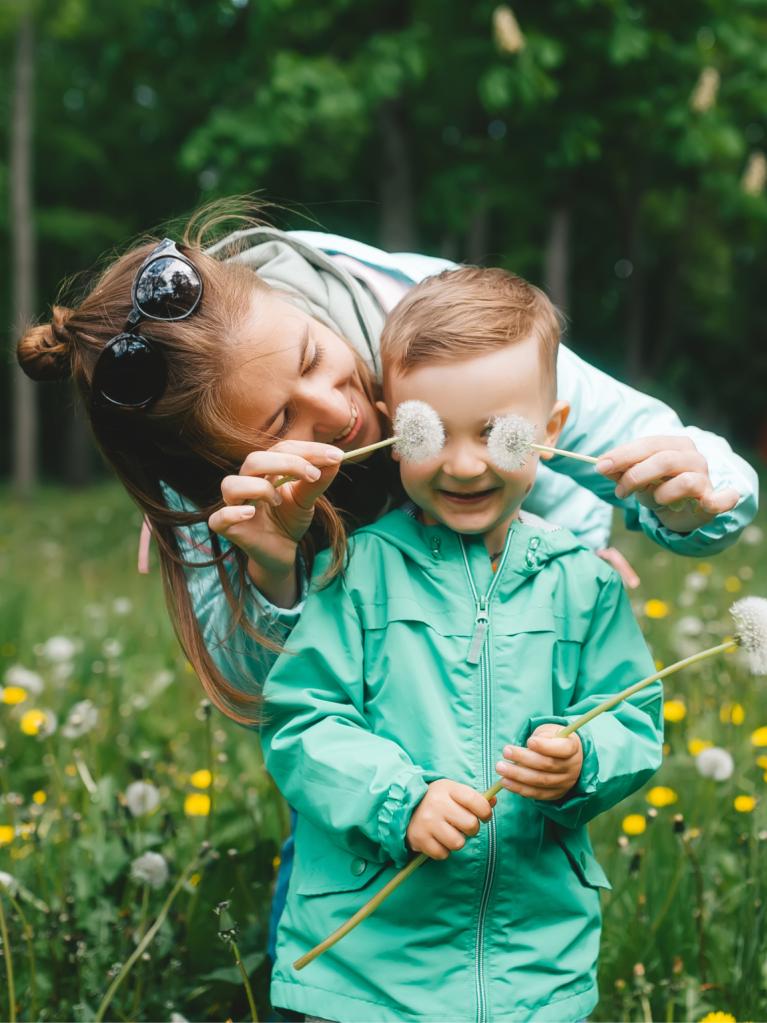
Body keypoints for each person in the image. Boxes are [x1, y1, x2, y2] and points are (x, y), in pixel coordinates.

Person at [15, 204, 755, 962]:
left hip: (519, 669)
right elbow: (279, 705)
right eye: (278, 424)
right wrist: (271, 568)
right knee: (345, 814)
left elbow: (678, 453)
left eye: (310, 359)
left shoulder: (444, 322)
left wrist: (689, 497)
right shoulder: (199, 473)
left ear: (301, 309)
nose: (337, 413)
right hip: (363, 698)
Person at [261, 266, 664, 1022]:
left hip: (533, 975)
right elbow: (301, 722)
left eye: (497, 433)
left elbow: (633, 717)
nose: (464, 462)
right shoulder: (353, 570)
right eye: (427, 431)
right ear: (388, 424)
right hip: (361, 979)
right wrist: (399, 800)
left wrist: (583, 761)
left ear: (549, 430)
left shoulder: (585, 584)